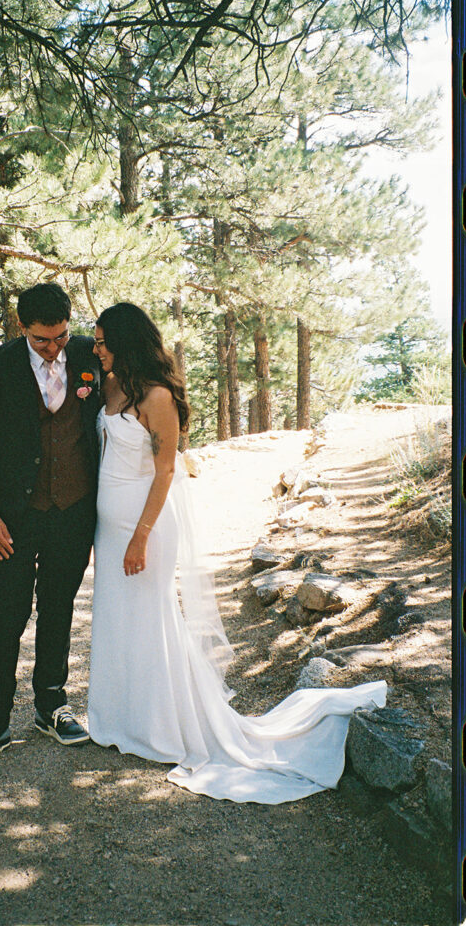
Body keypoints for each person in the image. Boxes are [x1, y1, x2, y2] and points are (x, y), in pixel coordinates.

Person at [87, 302, 387, 803]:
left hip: (147, 528)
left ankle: (164, 726)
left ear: (126, 341)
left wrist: (140, 535)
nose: (95, 349)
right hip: (108, 527)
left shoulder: (157, 396)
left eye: (101, 341)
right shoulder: (112, 385)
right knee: (117, 618)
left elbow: (164, 471)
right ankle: (122, 718)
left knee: (152, 618)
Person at [0, 283, 101, 764]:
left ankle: (52, 705)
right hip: (9, 520)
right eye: (42, 340)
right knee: (3, 615)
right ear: (22, 329)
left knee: (58, 609)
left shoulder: (87, 354)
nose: (54, 348)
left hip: (73, 512)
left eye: (59, 336)